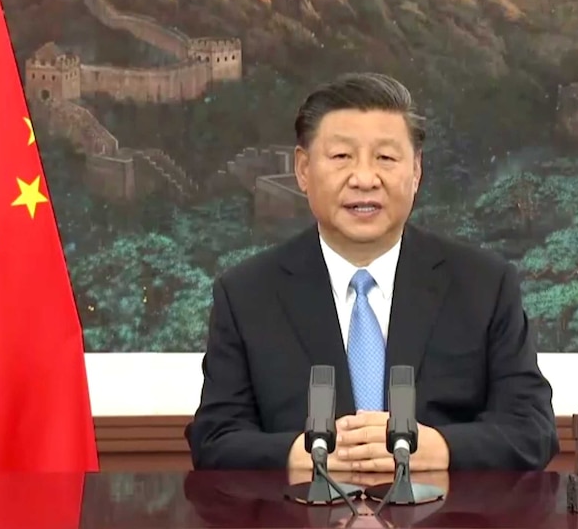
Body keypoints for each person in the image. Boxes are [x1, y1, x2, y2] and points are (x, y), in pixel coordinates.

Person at [186, 72, 558, 472]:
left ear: (415, 171)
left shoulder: (484, 284)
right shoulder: (246, 294)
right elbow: (215, 438)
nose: (364, 179)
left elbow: (532, 429)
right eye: (341, 157)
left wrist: (439, 448)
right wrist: (303, 455)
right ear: (303, 169)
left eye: (385, 158)